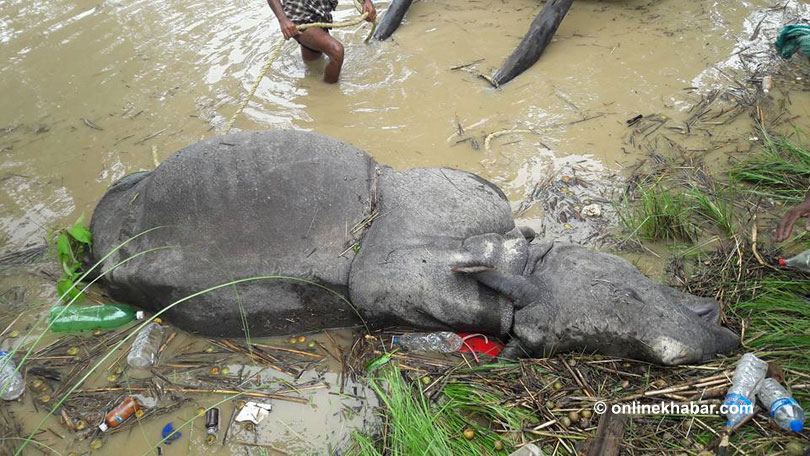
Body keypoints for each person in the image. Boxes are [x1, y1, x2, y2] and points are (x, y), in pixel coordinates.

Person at [266, 0, 376, 83]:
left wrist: (366, 1)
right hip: (298, 16)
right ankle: (329, 95)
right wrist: (283, 20)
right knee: (336, 51)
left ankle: (313, 93)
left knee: (313, 64)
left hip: (321, 13)